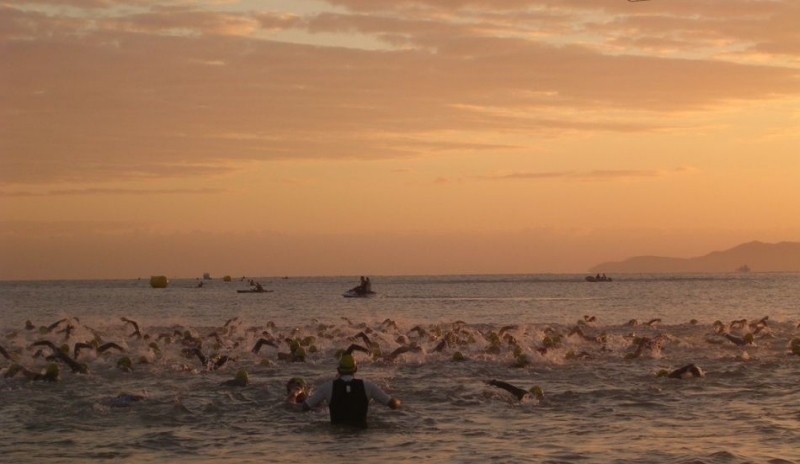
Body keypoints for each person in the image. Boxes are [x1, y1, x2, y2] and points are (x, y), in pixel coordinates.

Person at [302, 352, 400, 428]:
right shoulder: (368, 386)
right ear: (356, 369)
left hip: (336, 434)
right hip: (361, 434)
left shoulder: (327, 387)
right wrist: (398, 401)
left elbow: (305, 407)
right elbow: (392, 405)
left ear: (338, 370)